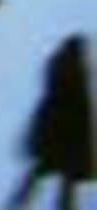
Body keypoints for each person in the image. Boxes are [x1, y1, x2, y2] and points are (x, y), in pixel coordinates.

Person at [12, 34, 92, 208]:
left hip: (51, 133)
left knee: (39, 172)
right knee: (67, 179)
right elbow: (80, 107)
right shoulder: (78, 75)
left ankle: (18, 202)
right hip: (69, 136)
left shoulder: (56, 68)